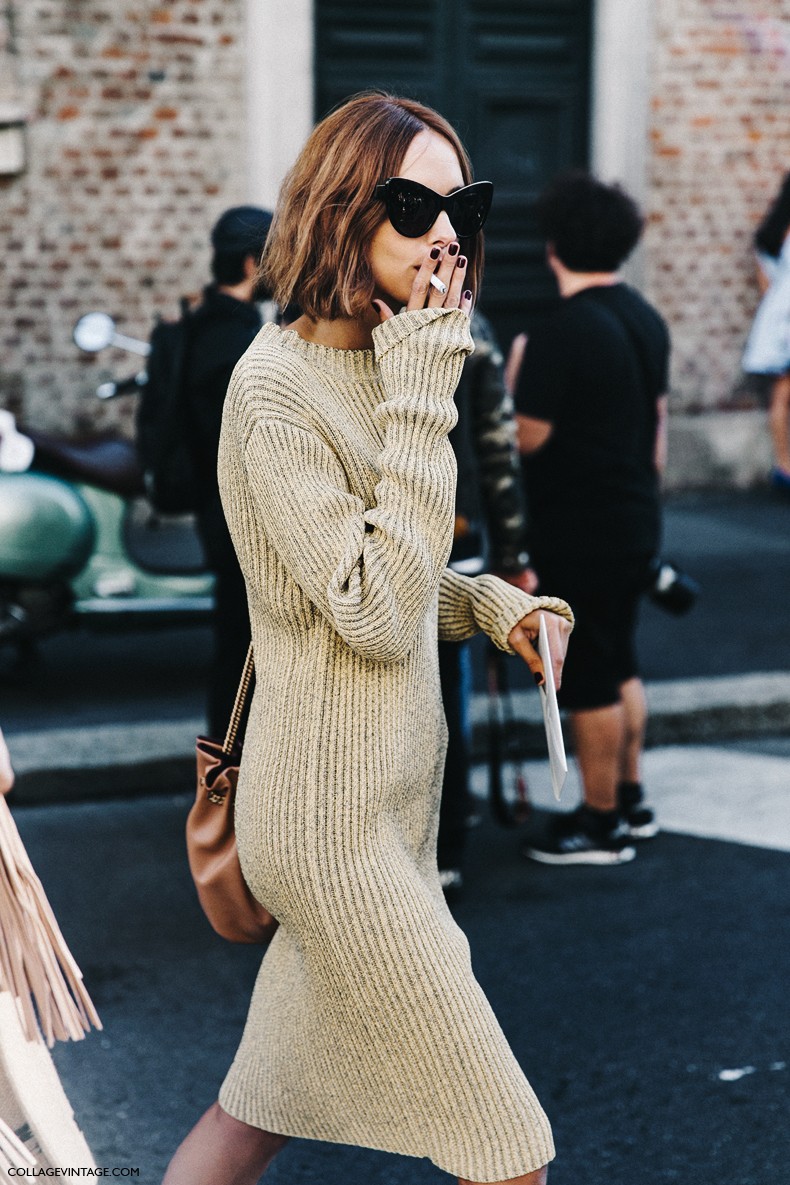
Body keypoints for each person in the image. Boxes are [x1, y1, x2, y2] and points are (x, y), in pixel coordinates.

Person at [162, 92, 574, 1185]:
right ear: (339, 213)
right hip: (326, 827)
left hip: (388, 811)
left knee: (255, 1110)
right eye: (411, 205)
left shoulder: (387, 357)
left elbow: (391, 570)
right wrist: (424, 395)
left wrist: (498, 609)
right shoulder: (274, 390)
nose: (446, 233)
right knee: (507, 1147)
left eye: (463, 206)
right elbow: (373, 612)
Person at [514, 170, 670, 867]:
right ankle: (631, 799)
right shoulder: (646, 317)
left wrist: (514, 378)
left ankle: (600, 821)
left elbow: (527, 440)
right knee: (621, 657)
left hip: (580, 526)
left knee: (588, 676)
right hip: (635, 513)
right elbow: (658, 427)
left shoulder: (557, 332)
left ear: (555, 246)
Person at [437, 308, 534, 900]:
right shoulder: (471, 324)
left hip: (376, 536)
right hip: (457, 528)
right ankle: (448, 837)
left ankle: (432, 835)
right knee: (447, 695)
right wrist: (514, 548)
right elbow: (499, 443)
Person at [185, 206, 273, 737]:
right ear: (249, 262)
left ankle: (222, 774)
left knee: (234, 649)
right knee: (245, 656)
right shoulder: (240, 338)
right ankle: (228, 780)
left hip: (212, 507)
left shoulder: (200, 324)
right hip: (241, 517)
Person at [741, 171, 790, 494]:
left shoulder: (774, 234)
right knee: (783, 395)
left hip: (780, 317)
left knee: (782, 395)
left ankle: (783, 466)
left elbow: (766, 282)